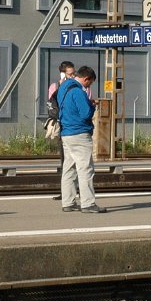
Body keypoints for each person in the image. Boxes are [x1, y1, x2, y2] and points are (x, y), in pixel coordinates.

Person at [58, 66, 105, 213]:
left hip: (66, 133)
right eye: (89, 83)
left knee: (69, 168)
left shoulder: (64, 86)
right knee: (85, 169)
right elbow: (85, 114)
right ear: (86, 79)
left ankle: (68, 202)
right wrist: (92, 106)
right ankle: (88, 204)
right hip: (79, 133)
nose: (89, 86)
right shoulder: (78, 91)